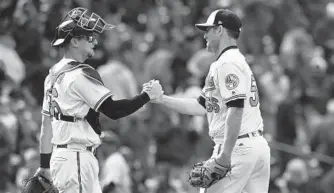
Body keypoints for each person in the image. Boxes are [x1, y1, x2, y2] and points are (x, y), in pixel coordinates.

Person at [34, 7, 163, 193]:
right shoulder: (79, 74)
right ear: (75, 41)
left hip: (64, 156)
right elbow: (113, 110)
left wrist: (44, 165)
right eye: (88, 37)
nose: (94, 41)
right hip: (76, 157)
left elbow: (46, 127)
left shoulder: (52, 75)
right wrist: (147, 96)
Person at [151, 9, 270, 193]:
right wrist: (162, 99)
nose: (205, 35)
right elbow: (202, 106)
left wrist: (225, 156)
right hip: (254, 146)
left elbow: (236, 109)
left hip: (237, 148)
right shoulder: (233, 61)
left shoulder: (227, 63)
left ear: (220, 30)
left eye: (209, 29)